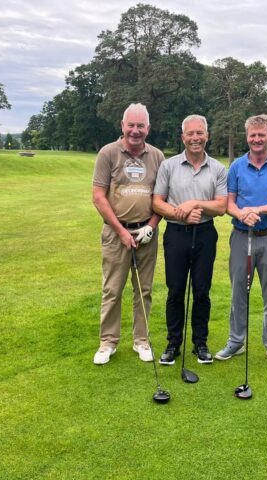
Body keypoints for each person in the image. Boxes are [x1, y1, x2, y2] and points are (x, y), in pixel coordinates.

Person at [215, 114, 267, 368]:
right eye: (253, 135)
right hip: (242, 237)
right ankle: (236, 341)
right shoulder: (237, 167)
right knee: (239, 292)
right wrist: (241, 214)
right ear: (247, 137)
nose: (257, 139)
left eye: (261, 134)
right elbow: (229, 203)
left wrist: (257, 210)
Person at [91, 103, 164, 365]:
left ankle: (141, 341)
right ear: (122, 126)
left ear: (148, 128)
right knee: (112, 289)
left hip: (146, 232)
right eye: (131, 125)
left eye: (140, 126)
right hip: (115, 232)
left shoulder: (157, 156)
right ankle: (108, 342)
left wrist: (151, 226)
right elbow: (98, 197)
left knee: (144, 290)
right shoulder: (108, 153)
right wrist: (122, 232)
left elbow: (162, 197)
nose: (135, 130)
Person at [152, 114, 227, 365]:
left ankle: (200, 343)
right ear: (183, 137)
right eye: (190, 133)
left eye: (200, 133)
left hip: (205, 234)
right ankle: (173, 343)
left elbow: (221, 206)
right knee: (175, 290)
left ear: (207, 135)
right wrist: (179, 213)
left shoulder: (217, 168)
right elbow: (157, 202)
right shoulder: (169, 166)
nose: (195, 138)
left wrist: (195, 204)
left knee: (202, 291)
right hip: (176, 234)